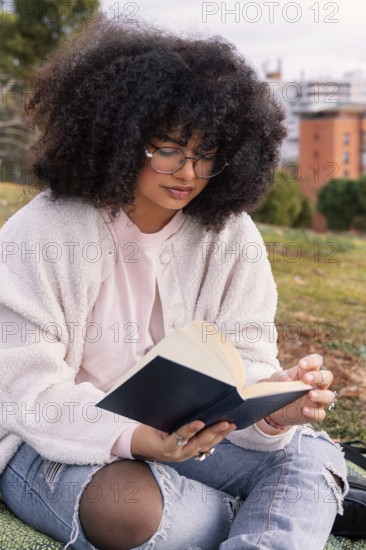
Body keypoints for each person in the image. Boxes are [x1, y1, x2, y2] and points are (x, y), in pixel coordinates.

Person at [0, 15, 347, 550]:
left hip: (194, 435)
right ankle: (270, 518)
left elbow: (246, 363)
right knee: (134, 513)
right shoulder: (42, 231)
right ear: (117, 136)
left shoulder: (231, 233)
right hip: (55, 442)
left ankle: (257, 517)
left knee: (313, 453)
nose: (188, 171)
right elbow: (27, 392)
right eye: (167, 148)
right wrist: (138, 439)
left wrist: (276, 408)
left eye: (205, 153)